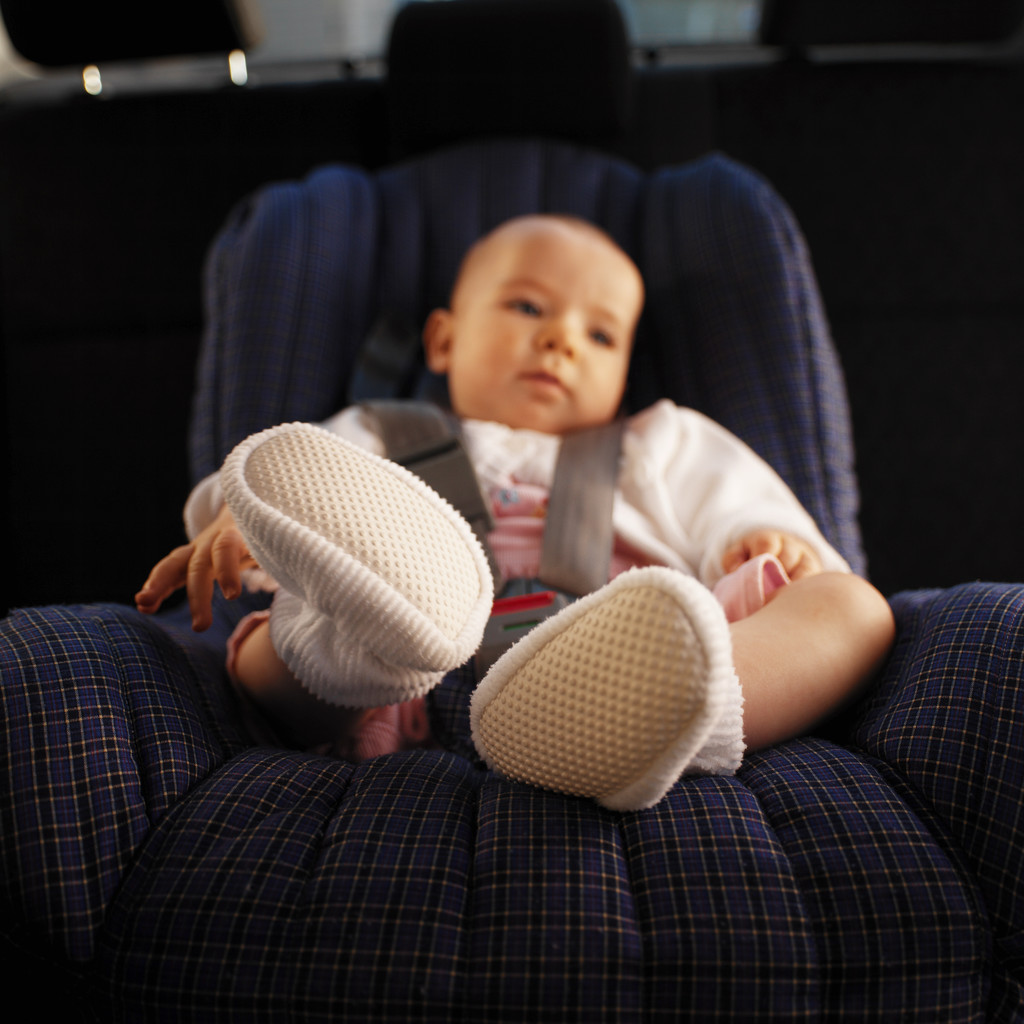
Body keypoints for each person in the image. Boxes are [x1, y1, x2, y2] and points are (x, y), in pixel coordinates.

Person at [136, 214, 895, 811]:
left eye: (599, 335)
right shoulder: (381, 431)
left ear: (625, 367)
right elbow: (292, 485)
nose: (561, 339)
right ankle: (356, 648)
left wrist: (765, 541)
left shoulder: (659, 442)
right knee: (294, 626)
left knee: (852, 608)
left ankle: (663, 711)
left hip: (617, 648)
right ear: (443, 340)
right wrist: (252, 528)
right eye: (528, 305)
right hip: (398, 681)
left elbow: (743, 503)